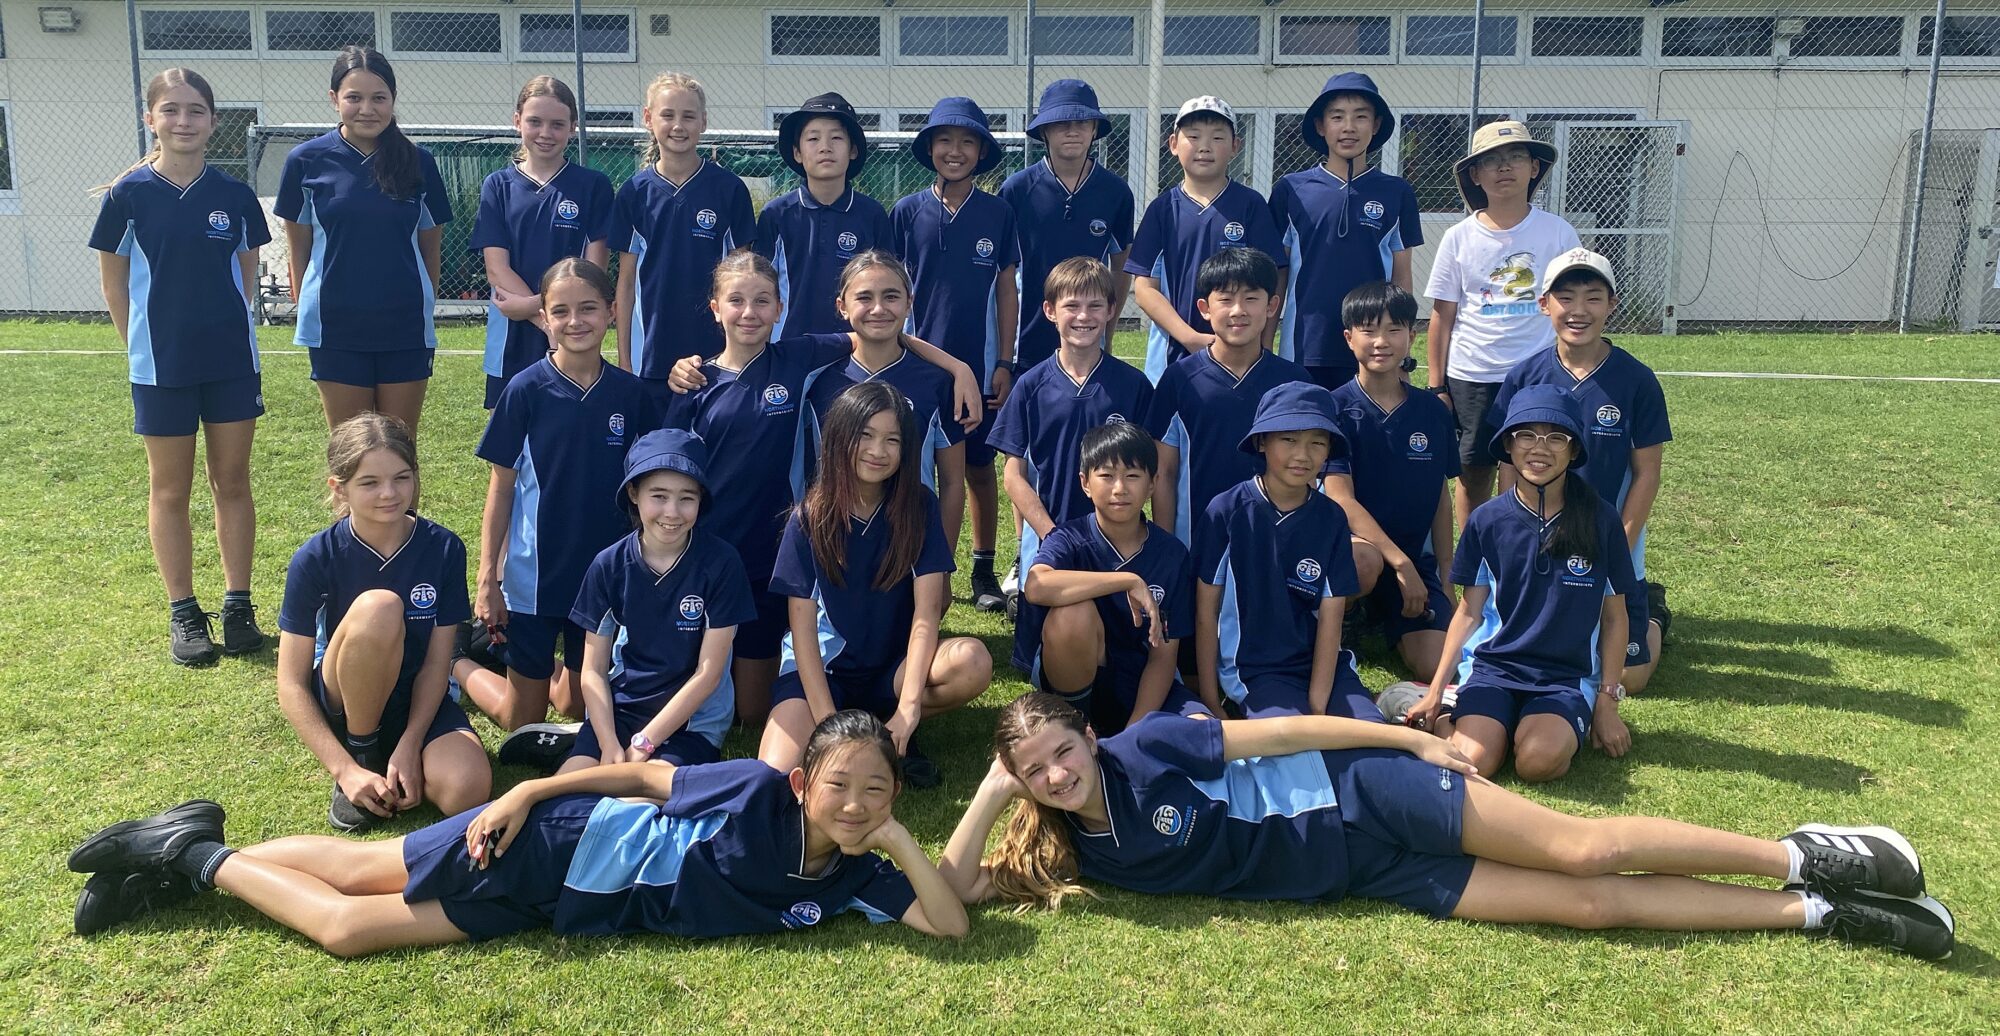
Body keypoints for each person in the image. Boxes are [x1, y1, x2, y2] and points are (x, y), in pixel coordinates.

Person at [935, 694, 1952, 962]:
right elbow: (956, 891)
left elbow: (1281, 734)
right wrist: (989, 793)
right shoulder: (1079, 848)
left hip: (1364, 792)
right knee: (1588, 909)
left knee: (1583, 847)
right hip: (1361, 873)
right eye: (1036, 771)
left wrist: (1406, 742)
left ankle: (1804, 851)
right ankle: (1816, 912)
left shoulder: (1148, 746)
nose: (1057, 774)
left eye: (1062, 751)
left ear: (1087, 736)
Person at [70, 712, 969, 950]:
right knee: (350, 878)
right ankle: (188, 850)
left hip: (557, 907)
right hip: (556, 839)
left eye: (875, 793)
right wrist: (529, 792)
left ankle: (178, 858)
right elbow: (644, 776)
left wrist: (897, 842)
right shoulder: (758, 790)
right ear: (805, 783)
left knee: (348, 926)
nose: (855, 805)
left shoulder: (858, 877)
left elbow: (951, 924)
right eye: (839, 786)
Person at [656, 250, 982, 725]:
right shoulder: (810, 374)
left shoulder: (919, 381)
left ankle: (885, 708)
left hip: (902, 544)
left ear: (779, 307)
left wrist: (959, 368)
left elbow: (951, 478)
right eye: (736, 301)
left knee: (910, 633)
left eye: (762, 301)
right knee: (748, 709)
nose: (749, 312)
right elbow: (866, 329)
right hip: (812, 544)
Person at [89, 67, 270, 666]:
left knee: (232, 481)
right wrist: (142, 347)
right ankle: (184, 611)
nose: (183, 121)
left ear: (213, 121)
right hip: (160, 368)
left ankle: (238, 605)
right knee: (169, 489)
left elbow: (246, 278)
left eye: (196, 111)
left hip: (230, 363)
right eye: (171, 110)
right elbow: (114, 286)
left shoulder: (235, 196)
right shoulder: (128, 195)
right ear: (151, 119)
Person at [456, 259, 655, 754]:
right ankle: (459, 663)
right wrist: (487, 578)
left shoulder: (631, 395)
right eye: (561, 311)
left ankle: (541, 668)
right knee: (519, 721)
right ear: (543, 317)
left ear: (611, 312)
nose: (575, 321)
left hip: (602, 580)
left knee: (577, 706)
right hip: (535, 580)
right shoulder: (525, 390)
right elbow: (501, 489)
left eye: (588, 308)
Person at [765, 383, 991, 789]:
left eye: (892, 440)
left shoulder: (919, 507)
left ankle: (887, 728)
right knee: (775, 775)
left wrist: (908, 709)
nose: (877, 450)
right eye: (865, 435)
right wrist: (828, 726)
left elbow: (926, 616)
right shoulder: (809, 518)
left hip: (892, 672)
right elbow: (803, 633)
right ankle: (863, 736)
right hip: (824, 673)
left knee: (972, 661)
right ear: (840, 438)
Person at [274, 414, 491, 833]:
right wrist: (343, 769)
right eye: (369, 482)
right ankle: (364, 754)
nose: (389, 493)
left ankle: (397, 753)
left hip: (415, 699)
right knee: (380, 607)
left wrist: (411, 742)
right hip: (345, 702)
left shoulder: (444, 548)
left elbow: (436, 664)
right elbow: (290, 684)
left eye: (401, 477)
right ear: (339, 488)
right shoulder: (315, 558)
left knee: (466, 789)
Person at [1405, 387, 1634, 783]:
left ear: (1574, 450)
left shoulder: (1601, 519)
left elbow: (1615, 619)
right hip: (1494, 669)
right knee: (1472, 762)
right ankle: (1446, 711)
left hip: (1564, 678)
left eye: (1556, 437)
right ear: (1508, 445)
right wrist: (1435, 689)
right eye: (1526, 435)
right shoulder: (1487, 520)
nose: (1539, 448)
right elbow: (1469, 612)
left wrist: (1607, 702)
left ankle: (1527, 725)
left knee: (1537, 762)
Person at [1491, 248, 1671, 692]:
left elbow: (1647, 473)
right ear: (1544, 304)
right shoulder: (1525, 376)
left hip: (1607, 534)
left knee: (1629, 677)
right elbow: (1508, 465)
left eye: (1593, 297)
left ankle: (1653, 615)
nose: (1579, 310)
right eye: (1566, 297)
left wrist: (1617, 544)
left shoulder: (1636, 380)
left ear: (1612, 305)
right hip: (1541, 534)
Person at [276, 46, 452, 435]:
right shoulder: (305, 161)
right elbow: (298, 248)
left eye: (379, 98)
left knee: (399, 446)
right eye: (354, 97)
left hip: (404, 325)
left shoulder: (419, 162)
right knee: (351, 450)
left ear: (393, 99)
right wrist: (309, 304)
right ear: (334, 98)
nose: (367, 109)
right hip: (336, 327)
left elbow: (430, 249)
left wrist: (419, 304)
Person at [561, 429, 754, 774]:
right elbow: (592, 670)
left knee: (640, 794)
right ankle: (548, 774)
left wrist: (645, 743)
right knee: (572, 787)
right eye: (659, 496)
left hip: (692, 722)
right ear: (633, 493)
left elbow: (708, 674)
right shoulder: (609, 565)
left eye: (686, 498)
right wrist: (608, 741)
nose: (672, 512)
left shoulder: (722, 564)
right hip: (620, 712)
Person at [893, 97, 1021, 613]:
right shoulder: (906, 212)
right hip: (917, 365)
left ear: (981, 152)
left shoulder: (998, 213)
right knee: (911, 469)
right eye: (944, 140)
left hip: (981, 366)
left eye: (968, 142)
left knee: (978, 467)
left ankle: (983, 567)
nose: (955, 150)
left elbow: (1007, 290)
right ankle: (910, 565)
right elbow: (891, 290)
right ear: (929, 148)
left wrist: (1004, 361)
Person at [1423, 121, 1581, 533]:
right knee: (1473, 472)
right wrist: (1437, 386)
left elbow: (1573, 305)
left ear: (1534, 167)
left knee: (1528, 467)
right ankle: (1475, 555)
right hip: (1472, 374)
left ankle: (1520, 550)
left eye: (1515, 157)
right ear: (1475, 175)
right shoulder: (1458, 237)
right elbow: (1442, 315)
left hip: (1537, 373)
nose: (1504, 167)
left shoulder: (1558, 233)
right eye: (1491, 161)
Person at [1194, 383, 1376, 722]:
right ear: (1261, 442)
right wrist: (1210, 699)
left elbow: (1332, 615)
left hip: (1323, 665)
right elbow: (1206, 612)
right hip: (1257, 670)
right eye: (1289, 439)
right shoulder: (1226, 511)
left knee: (1370, 735)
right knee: (1298, 743)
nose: (1302, 455)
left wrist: (1319, 707)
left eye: (1317, 443)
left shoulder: (1331, 517)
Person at [987, 257, 1154, 611]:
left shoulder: (1133, 385)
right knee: (1058, 629)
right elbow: (1013, 475)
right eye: (1072, 306)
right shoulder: (1030, 386)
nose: (1083, 316)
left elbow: (1151, 469)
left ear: (1111, 310)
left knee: (1118, 629)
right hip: (1050, 538)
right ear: (1050, 311)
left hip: (1117, 540)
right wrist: (1052, 534)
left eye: (1095, 306)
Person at [1014, 423, 1202, 735]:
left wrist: (1134, 732)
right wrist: (1127, 581)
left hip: (1145, 680)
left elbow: (1163, 657)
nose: (1119, 488)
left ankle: (1126, 737)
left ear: (1153, 483)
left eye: (1133, 476)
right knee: (1072, 614)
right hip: (1080, 676)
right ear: (1085, 483)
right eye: (1106, 475)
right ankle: (1077, 729)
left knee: (1200, 731)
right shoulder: (1069, 537)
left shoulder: (1171, 554)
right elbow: (1036, 586)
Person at [1321, 282, 1458, 681]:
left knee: (1437, 666)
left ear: (1411, 336)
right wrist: (1400, 563)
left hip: (1414, 560)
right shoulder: (1333, 408)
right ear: (1349, 338)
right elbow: (1341, 499)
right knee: (1364, 563)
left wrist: (1446, 578)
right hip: (1358, 554)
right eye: (1368, 330)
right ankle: (1350, 613)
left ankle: (1387, 617)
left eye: (1393, 329)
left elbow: (1440, 495)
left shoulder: (1432, 411)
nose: (1381, 341)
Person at [796, 252, 975, 548]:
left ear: (909, 303)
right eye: (864, 297)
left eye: (891, 297)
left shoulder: (937, 383)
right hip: (830, 542)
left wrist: (942, 558)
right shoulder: (815, 380)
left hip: (910, 543)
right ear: (842, 306)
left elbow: (953, 482)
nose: (878, 309)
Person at [1143, 247, 1310, 543]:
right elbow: (1164, 472)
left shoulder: (1293, 381)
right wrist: (1167, 549)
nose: (1238, 310)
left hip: (1275, 545)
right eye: (1226, 299)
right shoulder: (1179, 380)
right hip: (1196, 542)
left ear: (1272, 305)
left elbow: (1309, 469)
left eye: (1251, 298)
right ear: (1205, 308)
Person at [1269, 73, 1421, 391]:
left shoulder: (1397, 192)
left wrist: (1402, 355)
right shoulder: (1291, 190)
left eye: (1360, 117)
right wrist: (1265, 344)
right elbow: (1278, 275)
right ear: (1320, 126)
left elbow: (1401, 277)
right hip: (1304, 347)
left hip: (1372, 349)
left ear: (1376, 125)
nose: (1348, 127)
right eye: (1337, 117)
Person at [610, 72, 756, 400]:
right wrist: (625, 360)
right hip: (651, 359)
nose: (678, 126)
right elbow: (627, 282)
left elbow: (743, 279)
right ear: (648, 118)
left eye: (688, 116)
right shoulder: (634, 193)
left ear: (703, 121)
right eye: (668, 115)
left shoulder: (729, 189)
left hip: (718, 355)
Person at [471, 76, 614, 409]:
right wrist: (543, 317)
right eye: (535, 122)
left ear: (573, 127)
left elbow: (593, 271)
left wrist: (538, 310)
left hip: (571, 330)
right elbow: (496, 270)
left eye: (557, 124)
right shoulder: (498, 186)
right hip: (514, 335)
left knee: (574, 424)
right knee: (510, 429)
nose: (545, 133)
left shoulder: (593, 186)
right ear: (517, 121)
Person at [1128, 96, 1287, 383]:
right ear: (1173, 144)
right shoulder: (1163, 210)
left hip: (1242, 356)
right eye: (1194, 136)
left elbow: (1274, 275)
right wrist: (1189, 337)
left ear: (1235, 146)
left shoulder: (1250, 205)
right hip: (1175, 356)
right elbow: (1144, 289)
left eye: (1217, 137)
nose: (1205, 146)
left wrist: (1263, 342)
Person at [1000, 79, 1135, 373]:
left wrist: (1107, 330)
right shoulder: (1016, 190)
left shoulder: (1115, 192)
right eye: (1061, 123)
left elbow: (1121, 265)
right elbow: (1003, 274)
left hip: (1088, 340)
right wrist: (1003, 353)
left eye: (1082, 122)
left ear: (1095, 129)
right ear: (1044, 131)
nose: (1072, 131)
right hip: (1026, 342)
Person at [757, 93, 896, 339]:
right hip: (788, 346)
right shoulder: (776, 214)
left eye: (836, 138)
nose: (825, 147)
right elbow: (759, 288)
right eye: (813, 138)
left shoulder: (872, 214)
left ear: (853, 150)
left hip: (855, 348)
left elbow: (887, 286)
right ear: (797, 152)